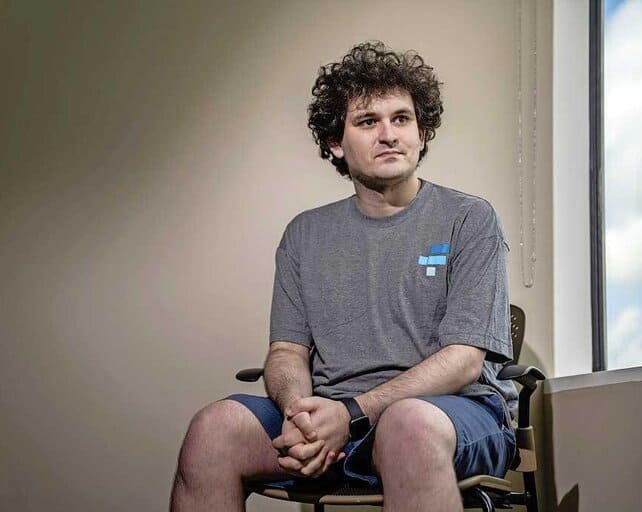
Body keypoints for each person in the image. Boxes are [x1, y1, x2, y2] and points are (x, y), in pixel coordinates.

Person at [170, 40, 517, 512]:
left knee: (407, 426)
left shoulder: (469, 219)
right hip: (332, 416)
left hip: (452, 413)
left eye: (402, 119)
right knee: (214, 430)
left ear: (421, 133)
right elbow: (287, 352)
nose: (389, 134)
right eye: (368, 122)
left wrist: (351, 414)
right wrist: (299, 414)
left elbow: (463, 362)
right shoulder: (305, 234)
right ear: (336, 142)